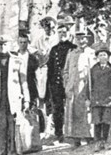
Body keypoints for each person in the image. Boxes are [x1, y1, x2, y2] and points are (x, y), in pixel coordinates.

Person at [0, 35, 30, 155]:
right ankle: (2, 151)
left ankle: (13, 150)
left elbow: (23, 82)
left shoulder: (18, 60)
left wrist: (26, 100)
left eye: (5, 44)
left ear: (9, 45)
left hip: (14, 99)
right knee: (1, 127)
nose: (2, 46)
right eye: (0, 44)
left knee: (13, 126)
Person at [63, 20, 96, 148]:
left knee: (86, 112)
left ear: (87, 40)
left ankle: (89, 136)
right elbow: (65, 70)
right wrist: (67, 82)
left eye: (83, 38)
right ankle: (75, 138)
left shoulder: (91, 53)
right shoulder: (71, 54)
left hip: (85, 87)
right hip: (72, 87)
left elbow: (93, 72)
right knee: (73, 112)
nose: (80, 41)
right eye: (78, 38)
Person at [46, 14, 76, 143]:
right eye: (60, 32)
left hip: (70, 82)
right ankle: (59, 133)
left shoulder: (73, 48)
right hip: (57, 83)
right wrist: (50, 85)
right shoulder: (54, 49)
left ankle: (73, 133)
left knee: (72, 107)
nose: (62, 34)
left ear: (68, 33)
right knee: (57, 109)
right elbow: (51, 69)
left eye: (64, 32)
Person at [90, 42, 111, 151]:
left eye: (105, 55)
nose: (103, 57)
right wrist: (88, 99)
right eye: (100, 55)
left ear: (108, 56)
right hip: (96, 100)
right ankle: (97, 142)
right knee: (97, 122)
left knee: (107, 121)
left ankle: (105, 141)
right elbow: (90, 85)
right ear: (97, 57)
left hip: (109, 100)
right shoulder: (93, 69)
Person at [16, 32, 39, 108]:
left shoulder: (33, 58)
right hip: (17, 88)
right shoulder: (13, 57)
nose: (23, 44)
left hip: (30, 88)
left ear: (28, 43)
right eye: (21, 42)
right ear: (18, 43)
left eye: (25, 42)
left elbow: (37, 75)